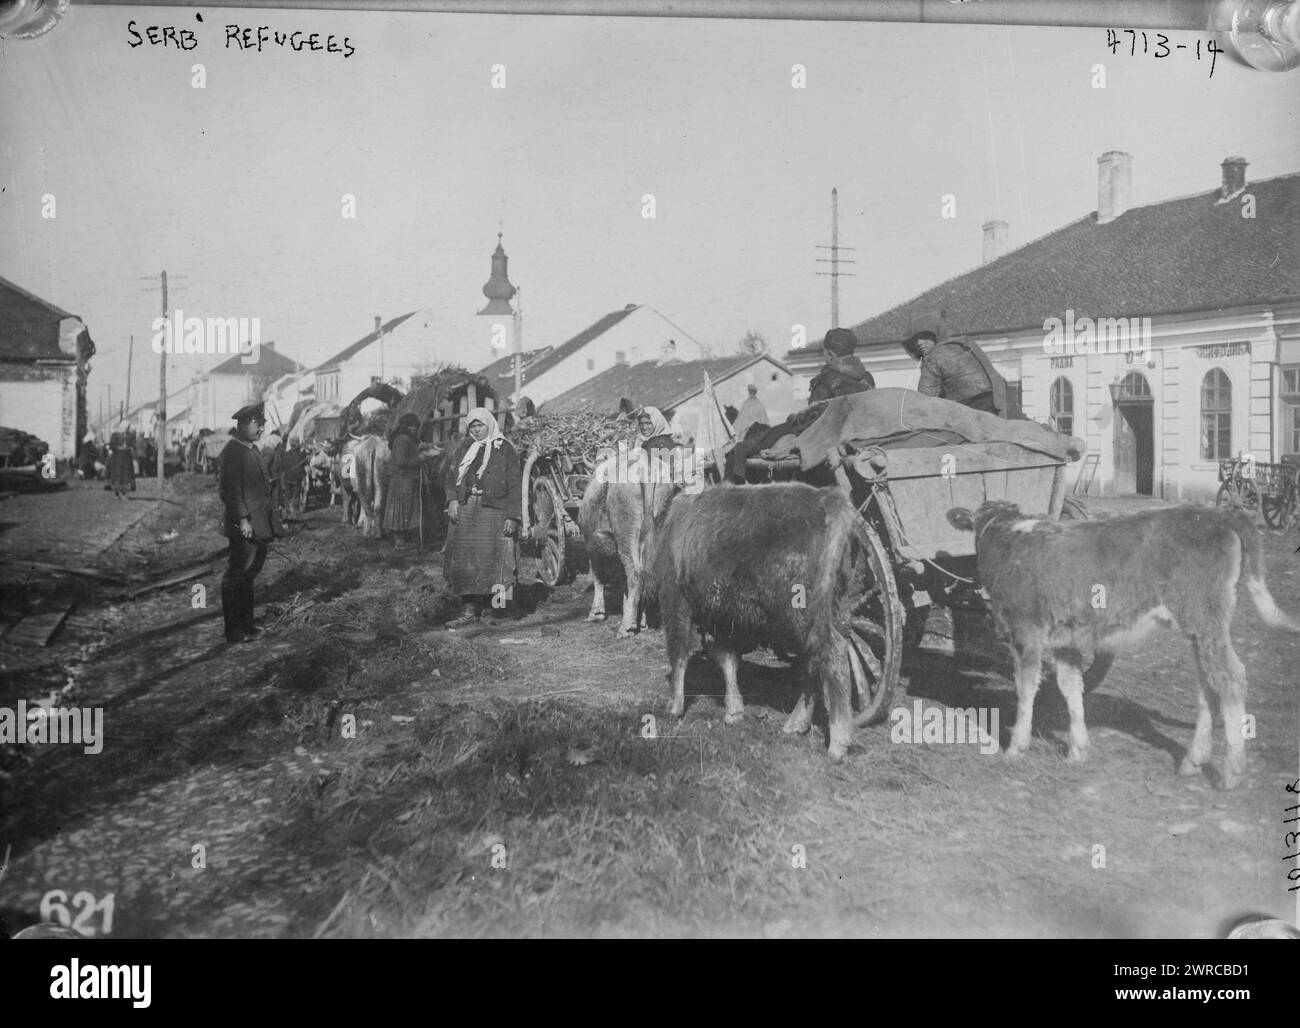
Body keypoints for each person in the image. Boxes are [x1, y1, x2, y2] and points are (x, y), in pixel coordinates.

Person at [442, 408, 522, 628]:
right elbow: (450, 477)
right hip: (467, 509)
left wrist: (512, 516)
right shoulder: (464, 448)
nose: (476, 430)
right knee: (466, 561)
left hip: (494, 511)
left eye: (480, 426)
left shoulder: (504, 449)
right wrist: (452, 500)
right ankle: (468, 610)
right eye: (473, 426)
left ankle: (492, 610)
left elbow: (515, 485)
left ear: (490, 424)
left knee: (493, 561)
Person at [219, 402, 275, 644]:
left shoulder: (251, 449)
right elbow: (230, 491)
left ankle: (246, 624)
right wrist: (243, 519)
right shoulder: (234, 451)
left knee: (248, 575)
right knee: (237, 574)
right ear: (241, 426)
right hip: (244, 523)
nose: (261, 429)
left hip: (256, 522)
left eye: (262, 424)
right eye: (256, 424)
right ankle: (234, 630)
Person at [902, 309, 1009, 417]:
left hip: (969, 406)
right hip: (995, 398)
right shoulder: (961, 345)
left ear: (934, 337)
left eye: (924, 337)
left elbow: (926, 397)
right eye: (916, 340)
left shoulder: (931, 358)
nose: (919, 343)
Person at [383, 413, 424, 548]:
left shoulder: (406, 439)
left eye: (415, 427)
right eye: (412, 426)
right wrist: (422, 459)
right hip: (401, 480)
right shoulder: (402, 439)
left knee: (406, 510)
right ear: (405, 426)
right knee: (399, 511)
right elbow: (402, 461)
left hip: (407, 479)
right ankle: (398, 540)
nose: (414, 429)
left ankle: (402, 539)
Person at [808, 328, 875, 403]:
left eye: (824, 351)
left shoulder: (827, 379)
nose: (823, 354)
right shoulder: (868, 378)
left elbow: (813, 411)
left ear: (831, 354)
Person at [107, 423, 135, 498]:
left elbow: (133, 445)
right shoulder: (115, 435)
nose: (127, 429)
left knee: (125, 476)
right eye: (126, 427)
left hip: (127, 458)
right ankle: (117, 493)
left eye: (128, 427)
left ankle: (123, 493)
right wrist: (118, 448)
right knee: (117, 476)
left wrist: (130, 448)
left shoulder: (130, 436)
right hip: (117, 458)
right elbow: (111, 445)